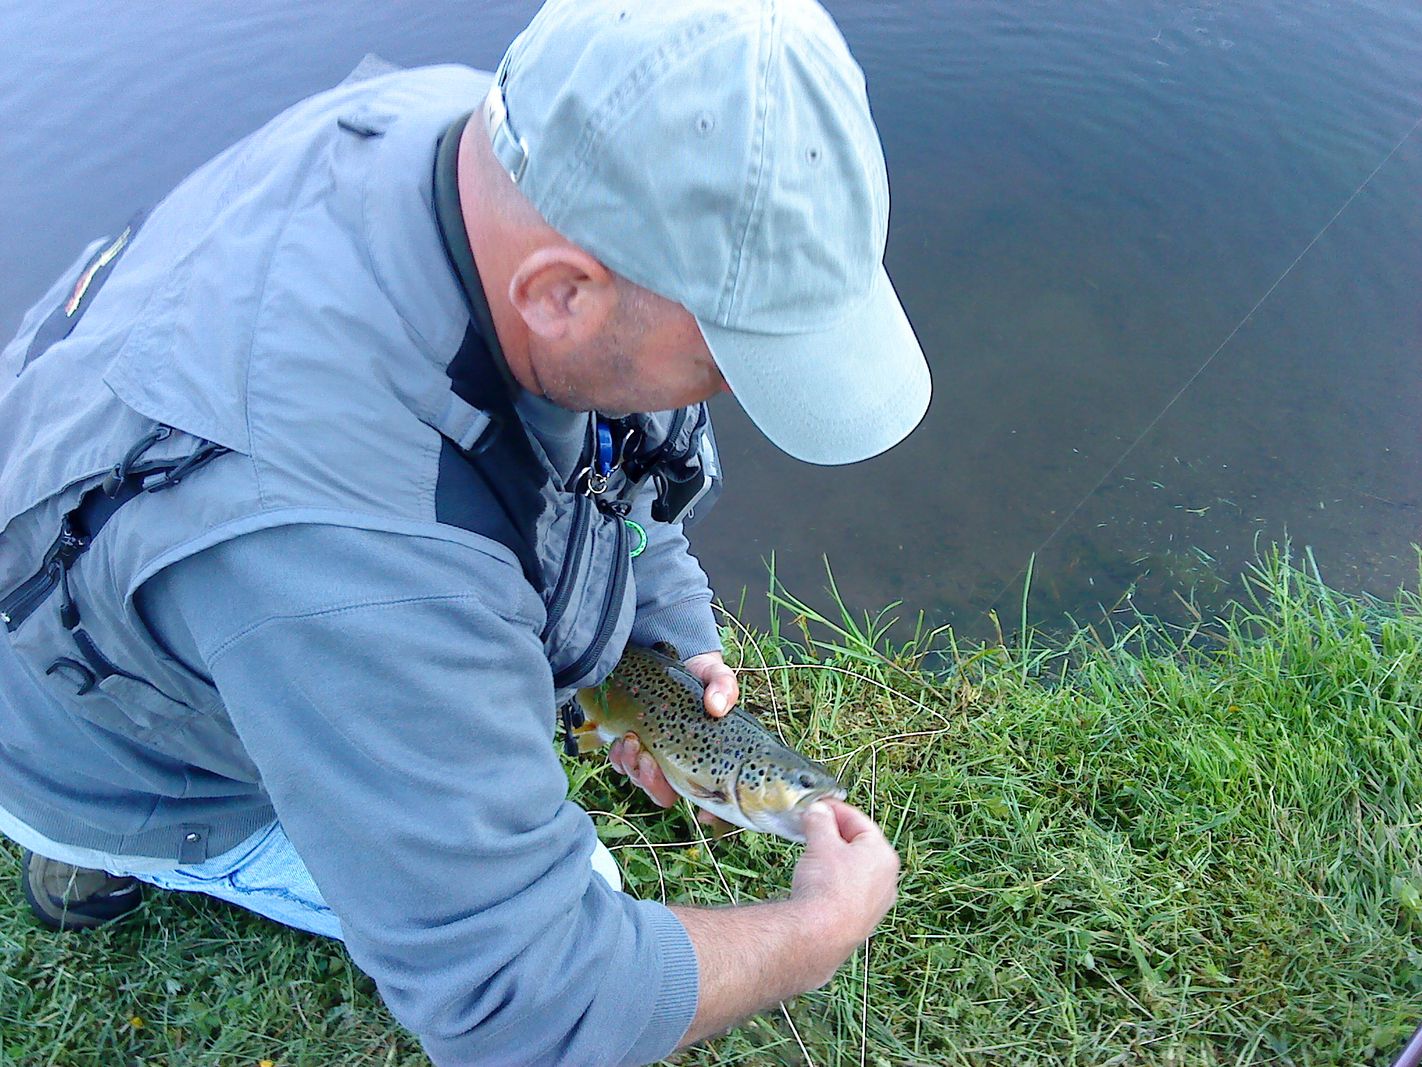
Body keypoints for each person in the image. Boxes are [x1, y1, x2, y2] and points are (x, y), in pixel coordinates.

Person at [0, 0, 930, 1063]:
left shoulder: (489, 150)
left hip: (154, 513)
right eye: (726, 360)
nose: (733, 396)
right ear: (562, 295)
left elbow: (617, 447)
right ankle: (99, 842)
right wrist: (814, 932)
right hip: (102, 732)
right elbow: (533, 1001)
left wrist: (665, 634)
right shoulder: (346, 557)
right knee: (585, 896)